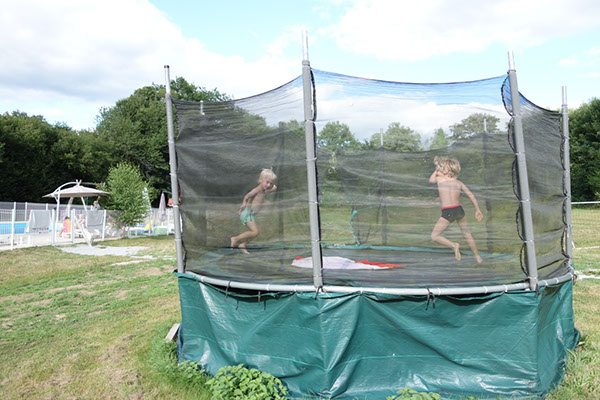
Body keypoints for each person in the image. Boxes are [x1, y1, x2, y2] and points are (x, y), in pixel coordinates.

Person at [429, 156, 483, 263]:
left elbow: (431, 180)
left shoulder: (440, 180)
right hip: (459, 210)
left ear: (445, 171)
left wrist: (436, 171)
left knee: (434, 236)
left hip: (448, 211)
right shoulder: (459, 183)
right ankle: (478, 257)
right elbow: (471, 195)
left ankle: (453, 245)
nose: (437, 171)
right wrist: (477, 210)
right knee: (467, 233)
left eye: (439, 169)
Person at [230, 169, 278, 254]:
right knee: (255, 232)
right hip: (247, 213)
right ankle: (235, 238)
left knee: (255, 233)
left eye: (271, 183)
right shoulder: (256, 190)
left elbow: (266, 192)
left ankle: (243, 244)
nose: (269, 185)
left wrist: (273, 189)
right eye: (267, 182)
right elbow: (247, 195)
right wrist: (244, 204)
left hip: (250, 214)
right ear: (260, 180)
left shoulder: (262, 190)